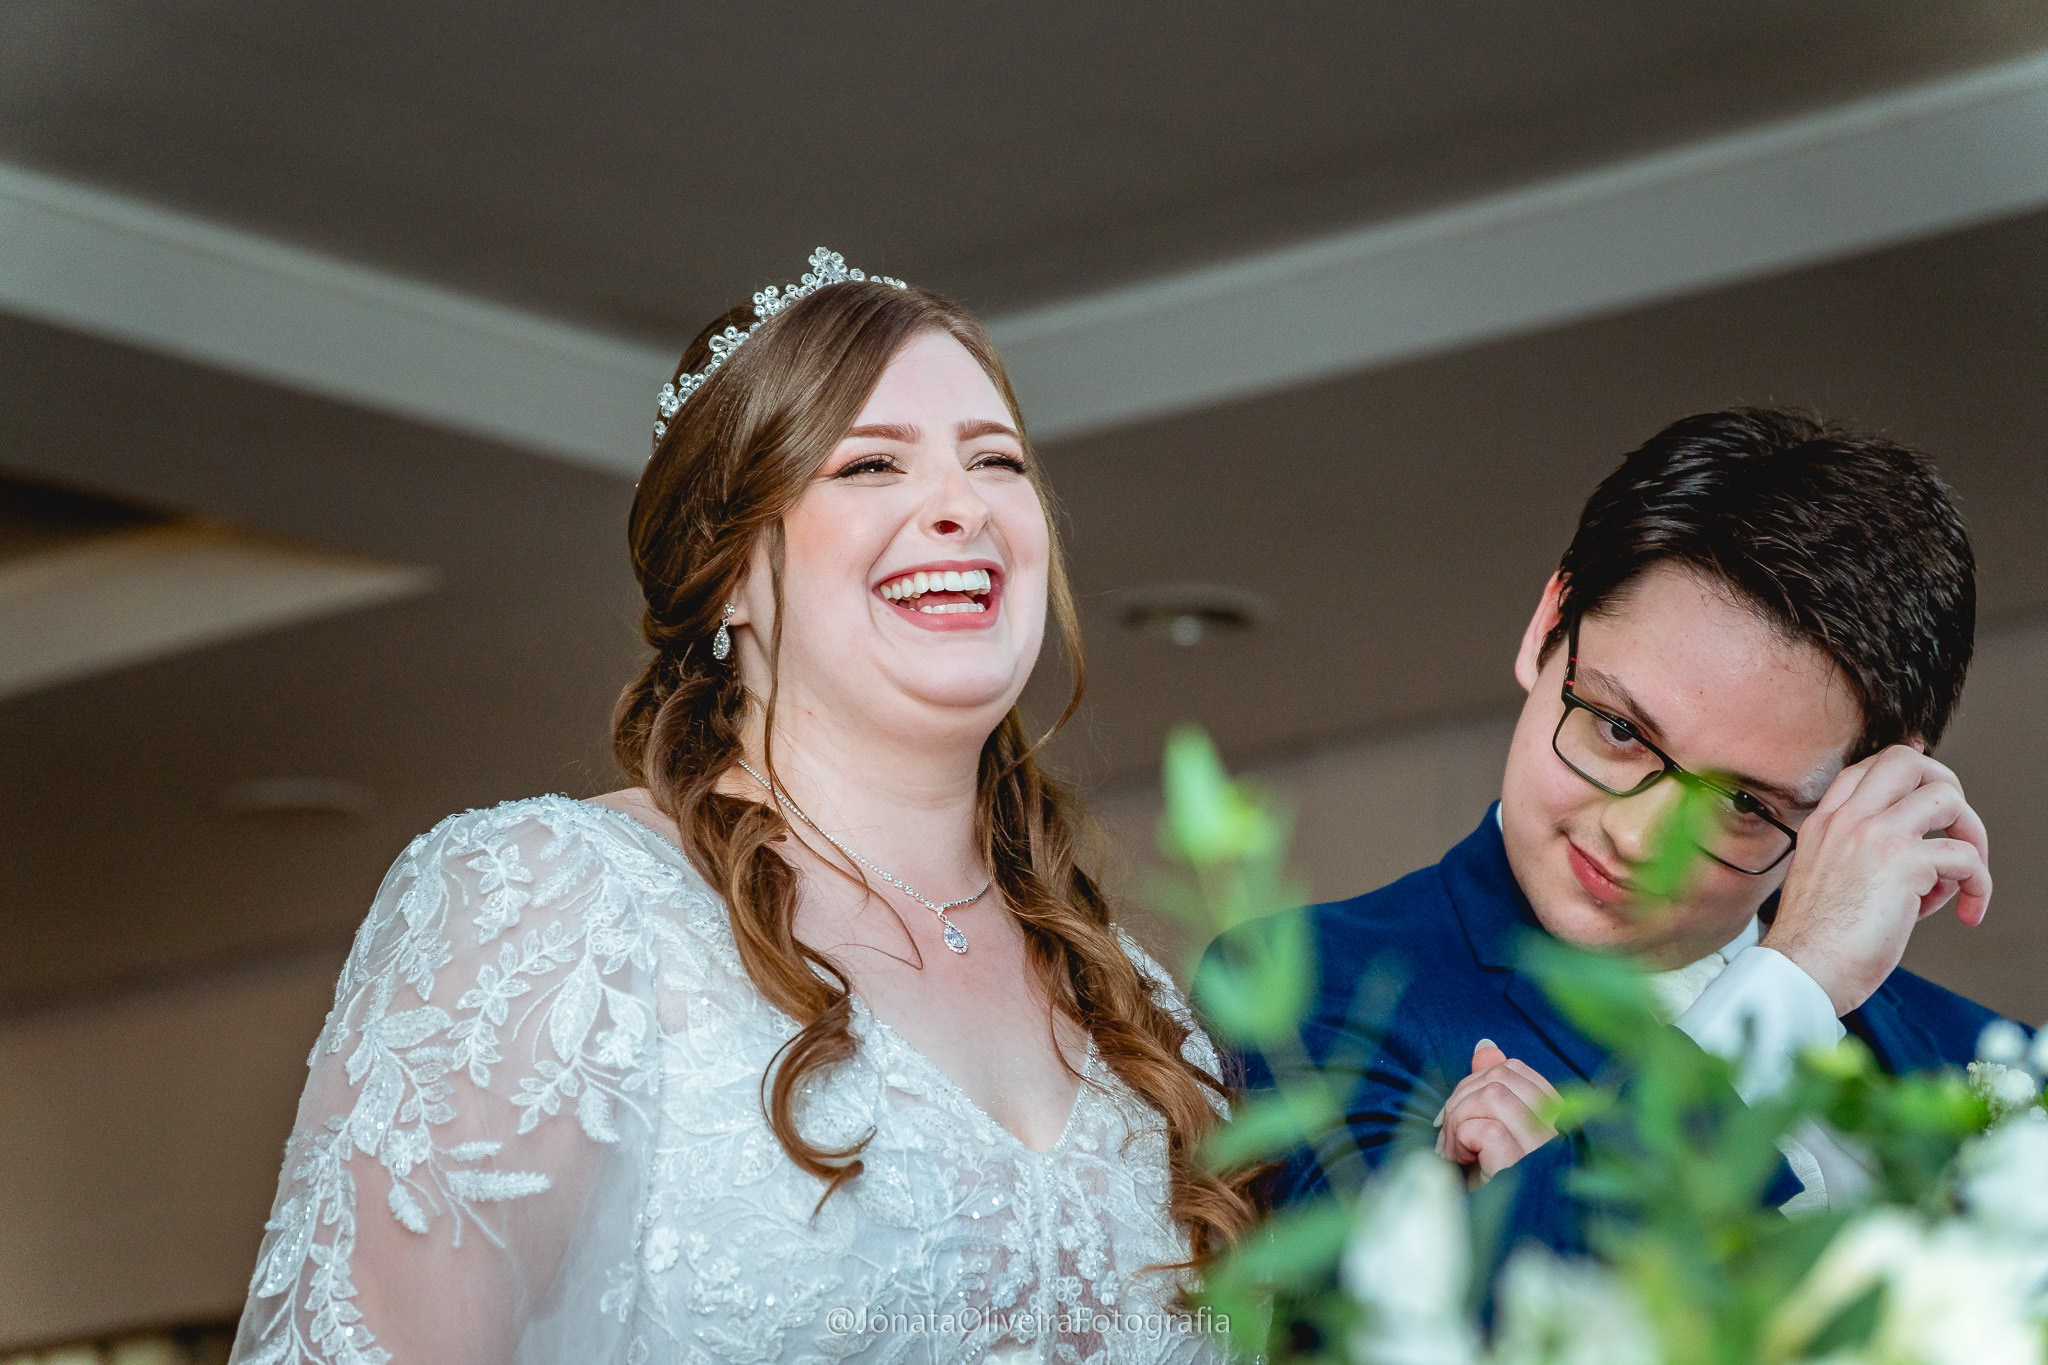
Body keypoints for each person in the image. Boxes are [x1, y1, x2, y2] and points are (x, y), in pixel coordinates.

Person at [231, 249, 1250, 1364]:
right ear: (724, 571)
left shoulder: (1137, 1013)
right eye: (869, 467)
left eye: (995, 461)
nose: (958, 505)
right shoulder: (549, 907)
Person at [1199, 408, 2007, 1262]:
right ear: (1549, 622)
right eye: (1619, 730)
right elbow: (1381, 1330)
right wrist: (1789, 993)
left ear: (1868, 790)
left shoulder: (1999, 1070)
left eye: (1740, 800)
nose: (1636, 837)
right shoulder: (1302, 989)